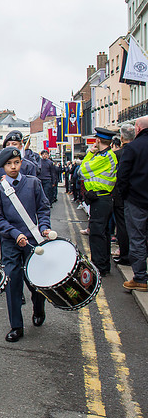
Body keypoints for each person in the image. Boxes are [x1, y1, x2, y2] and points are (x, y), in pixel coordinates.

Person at [0, 147, 51, 342]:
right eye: (9, 164)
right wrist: (15, 234)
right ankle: (16, 325)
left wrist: (44, 227)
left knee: (35, 280)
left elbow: (43, 208)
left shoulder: (34, 184)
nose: (13, 167)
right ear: (3, 167)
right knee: (12, 283)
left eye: (16, 163)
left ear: (21, 163)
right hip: (10, 242)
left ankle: (38, 306)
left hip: (33, 241)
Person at [79, 127, 118, 276]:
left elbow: (81, 172)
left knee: (97, 233)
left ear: (98, 140)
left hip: (101, 199)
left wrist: (89, 153)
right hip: (101, 198)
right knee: (103, 233)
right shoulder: (104, 155)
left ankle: (99, 266)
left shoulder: (103, 157)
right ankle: (103, 265)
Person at [117, 116, 148, 292]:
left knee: (137, 239)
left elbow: (123, 176)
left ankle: (140, 278)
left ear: (137, 129)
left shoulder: (133, 147)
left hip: (136, 200)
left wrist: (126, 195)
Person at [113, 124, 136, 266]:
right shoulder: (139, 150)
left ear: (121, 138)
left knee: (122, 225)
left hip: (122, 194)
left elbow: (120, 176)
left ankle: (125, 254)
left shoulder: (118, 154)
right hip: (137, 194)